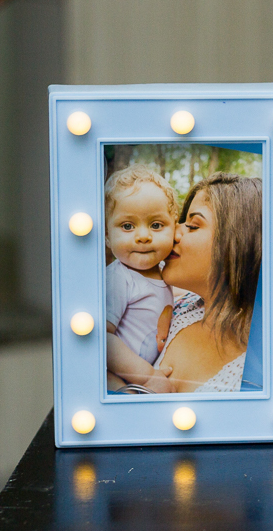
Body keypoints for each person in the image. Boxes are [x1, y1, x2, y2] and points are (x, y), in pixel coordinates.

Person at [153, 172, 263, 392]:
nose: (173, 233)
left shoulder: (260, 374)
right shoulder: (177, 310)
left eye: (192, 226)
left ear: (238, 243)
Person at [103, 165, 178, 393]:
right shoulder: (118, 277)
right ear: (107, 235)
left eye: (156, 225)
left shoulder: (168, 271)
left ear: (174, 227)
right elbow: (102, 338)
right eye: (127, 226)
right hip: (113, 375)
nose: (143, 236)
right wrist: (147, 376)